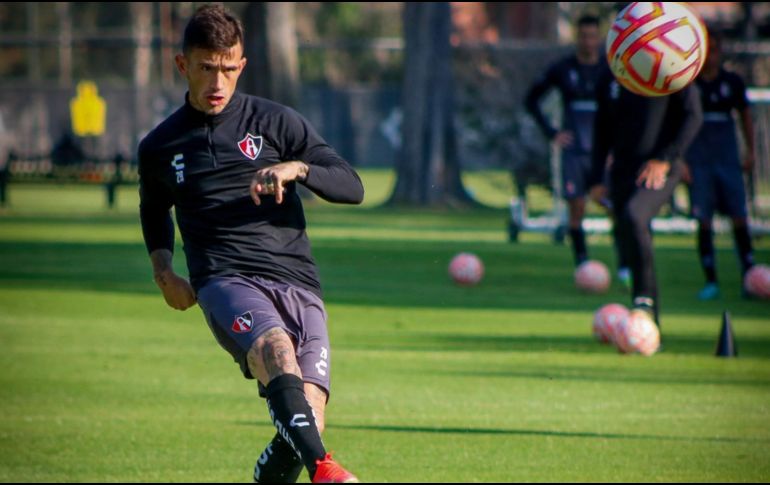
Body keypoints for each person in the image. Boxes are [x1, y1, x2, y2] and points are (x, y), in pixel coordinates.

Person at [138, 5, 363, 483]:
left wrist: (297, 168)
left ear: (241, 65)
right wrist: (164, 274)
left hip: (298, 280)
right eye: (206, 68)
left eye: (228, 68)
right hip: (224, 279)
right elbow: (154, 209)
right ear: (183, 65)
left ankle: (301, 463)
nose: (218, 82)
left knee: (306, 420)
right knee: (274, 351)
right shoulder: (161, 146)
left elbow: (352, 185)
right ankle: (328, 472)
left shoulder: (277, 122)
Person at [525, 14, 631, 286]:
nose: (588, 41)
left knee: (612, 208)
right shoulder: (563, 69)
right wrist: (553, 133)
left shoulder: (611, 71)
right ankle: (583, 265)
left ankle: (624, 265)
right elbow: (531, 100)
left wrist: (617, 144)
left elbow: (623, 110)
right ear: (577, 37)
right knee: (577, 208)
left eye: (593, 36)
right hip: (574, 152)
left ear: (599, 38)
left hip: (602, 152)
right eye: (583, 36)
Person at [590, 75, 703, 328]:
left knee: (635, 216)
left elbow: (693, 116)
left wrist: (666, 158)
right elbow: (602, 129)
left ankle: (644, 303)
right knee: (629, 231)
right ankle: (648, 321)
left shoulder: (669, 69)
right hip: (622, 171)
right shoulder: (611, 75)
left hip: (660, 168)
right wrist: (596, 178)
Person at [684, 30, 756, 300]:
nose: (711, 56)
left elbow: (745, 116)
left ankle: (749, 274)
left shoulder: (732, 82)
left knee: (739, 216)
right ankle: (710, 280)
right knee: (703, 220)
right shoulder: (688, 84)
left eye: (715, 49)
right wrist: (681, 161)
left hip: (727, 160)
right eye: (707, 50)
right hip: (699, 161)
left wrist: (749, 151)